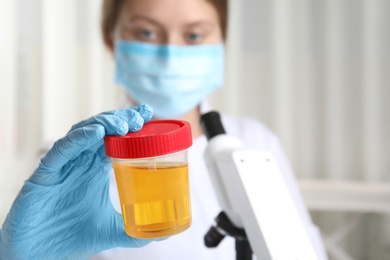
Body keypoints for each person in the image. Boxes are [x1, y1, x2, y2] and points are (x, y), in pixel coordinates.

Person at [0, 0, 328, 259]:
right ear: (110, 39)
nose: (171, 52)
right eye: (146, 33)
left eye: (194, 35)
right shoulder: (73, 164)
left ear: (222, 40)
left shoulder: (255, 142)